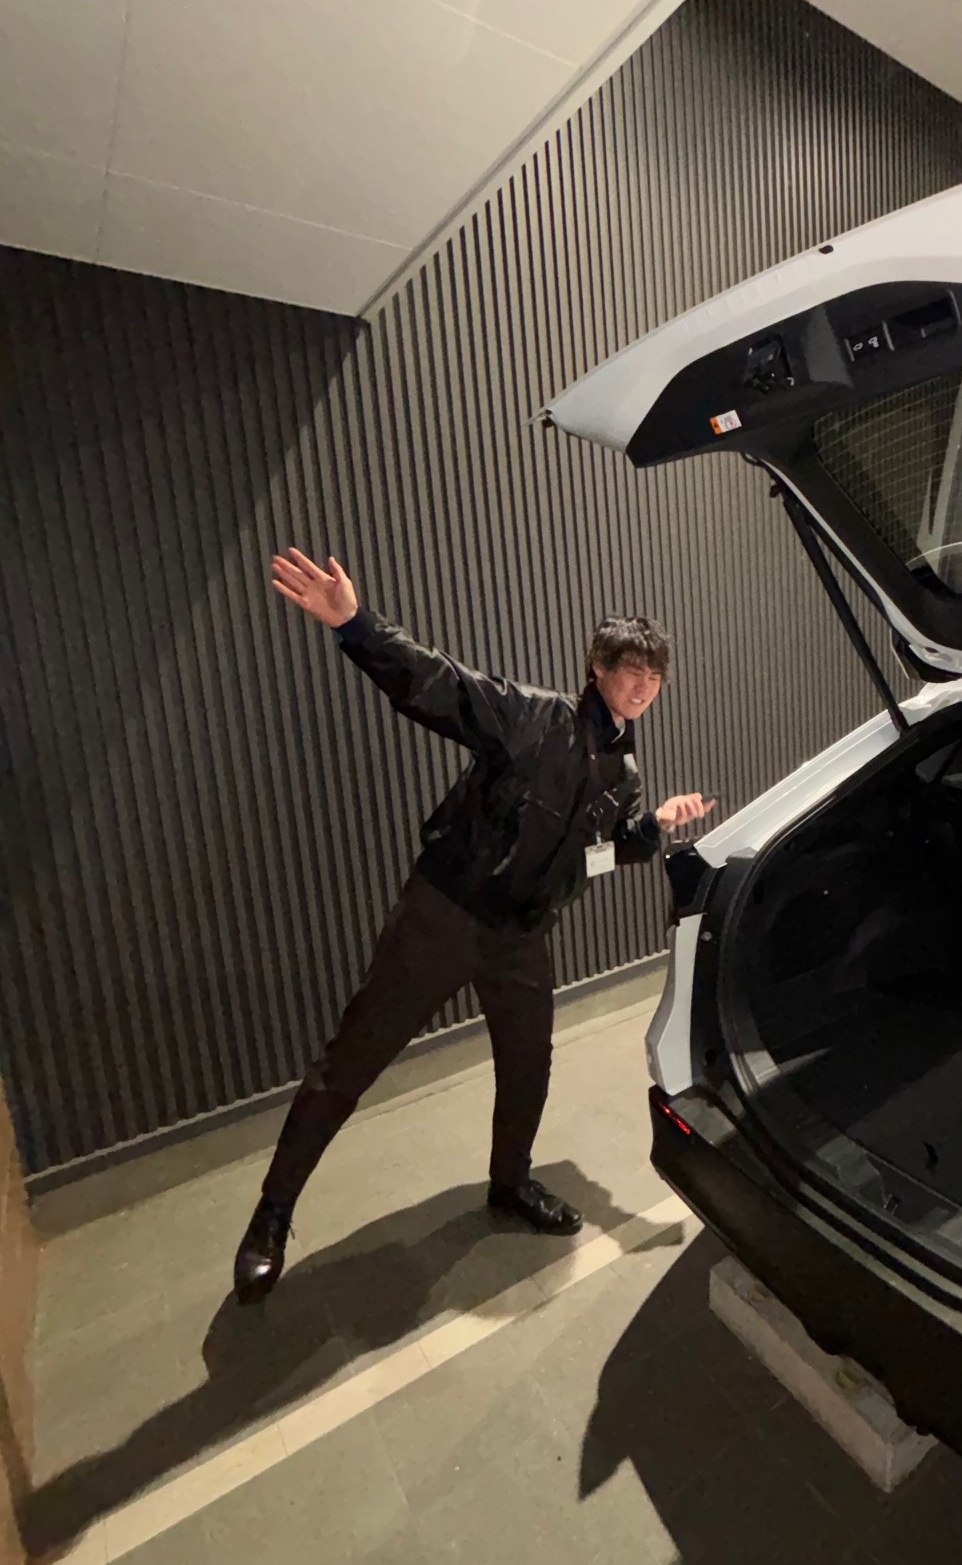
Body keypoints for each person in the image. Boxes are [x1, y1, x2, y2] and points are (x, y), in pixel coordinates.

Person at [233, 547, 714, 1304]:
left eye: (654, 678)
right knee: (352, 1059)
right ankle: (272, 1212)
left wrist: (654, 825)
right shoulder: (533, 717)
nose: (642, 687)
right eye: (630, 671)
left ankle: (509, 1182)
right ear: (597, 667)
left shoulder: (622, 774)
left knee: (529, 1064)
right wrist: (355, 624)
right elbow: (440, 686)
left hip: (519, 936)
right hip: (445, 913)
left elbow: (608, 852)